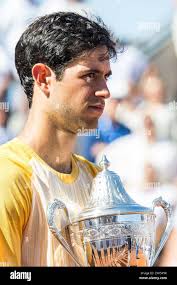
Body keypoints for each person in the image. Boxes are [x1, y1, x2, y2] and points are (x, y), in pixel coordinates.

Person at [0, 11, 118, 266]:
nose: (105, 91)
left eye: (106, 76)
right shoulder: (7, 176)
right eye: (90, 75)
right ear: (43, 78)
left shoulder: (98, 179)